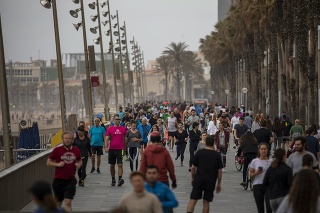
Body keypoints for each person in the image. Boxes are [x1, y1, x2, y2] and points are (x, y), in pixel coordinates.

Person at [47, 131, 82, 212]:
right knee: (58, 203)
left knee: (68, 202)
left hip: (70, 180)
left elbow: (79, 160)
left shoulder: (76, 150)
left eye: (69, 138)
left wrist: (79, 164)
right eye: (65, 138)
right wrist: (58, 164)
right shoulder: (57, 150)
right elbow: (48, 162)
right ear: (62, 139)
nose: (67, 140)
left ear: (72, 139)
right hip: (58, 180)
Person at [187, 135, 223, 213]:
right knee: (206, 202)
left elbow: (193, 167)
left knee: (193, 199)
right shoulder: (217, 155)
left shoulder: (199, 153)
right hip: (211, 180)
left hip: (199, 178)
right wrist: (219, 183)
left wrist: (193, 178)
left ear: (205, 143)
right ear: (213, 143)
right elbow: (220, 171)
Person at [249, 143, 272, 213]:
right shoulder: (254, 161)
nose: (263, 151)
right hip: (257, 185)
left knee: (269, 208)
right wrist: (256, 173)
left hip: (269, 185)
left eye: (265, 149)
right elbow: (250, 175)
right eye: (262, 149)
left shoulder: (272, 161)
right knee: (260, 209)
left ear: (268, 150)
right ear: (259, 150)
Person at [105, 114, 127, 186]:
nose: (118, 121)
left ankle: (120, 179)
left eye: (119, 119)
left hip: (120, 149)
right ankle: (113, 179)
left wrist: (125, 148)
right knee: (112, 165)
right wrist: (106, 147)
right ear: (114, 120)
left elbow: (124, 139)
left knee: (120, 164)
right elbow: (107, 138)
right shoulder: (110, 129)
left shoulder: (123, 129)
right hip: (112, 149)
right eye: (116, 119)